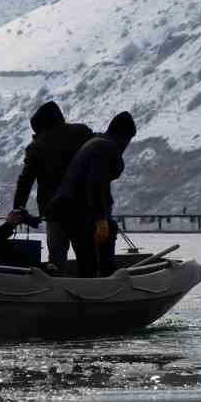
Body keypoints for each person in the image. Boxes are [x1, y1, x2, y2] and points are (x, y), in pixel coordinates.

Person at [48, 111, 136, 278]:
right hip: (78, 211)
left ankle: (94, 282)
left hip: (67, 209)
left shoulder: (95, 142)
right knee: (92, 260)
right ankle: (100, 287)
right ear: (125, 137)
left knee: (91, 255)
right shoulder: (106, 147)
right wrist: (101, 219)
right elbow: (97, 184)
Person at [10, 101, 93, 269]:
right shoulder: (82, 133)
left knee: (56, 258)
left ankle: (56, 288)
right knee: (87, 255)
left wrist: (18, 207)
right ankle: (92, 287)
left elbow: (25, 181)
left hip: (55, 210)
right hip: (85, 206)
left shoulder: (36, 147)